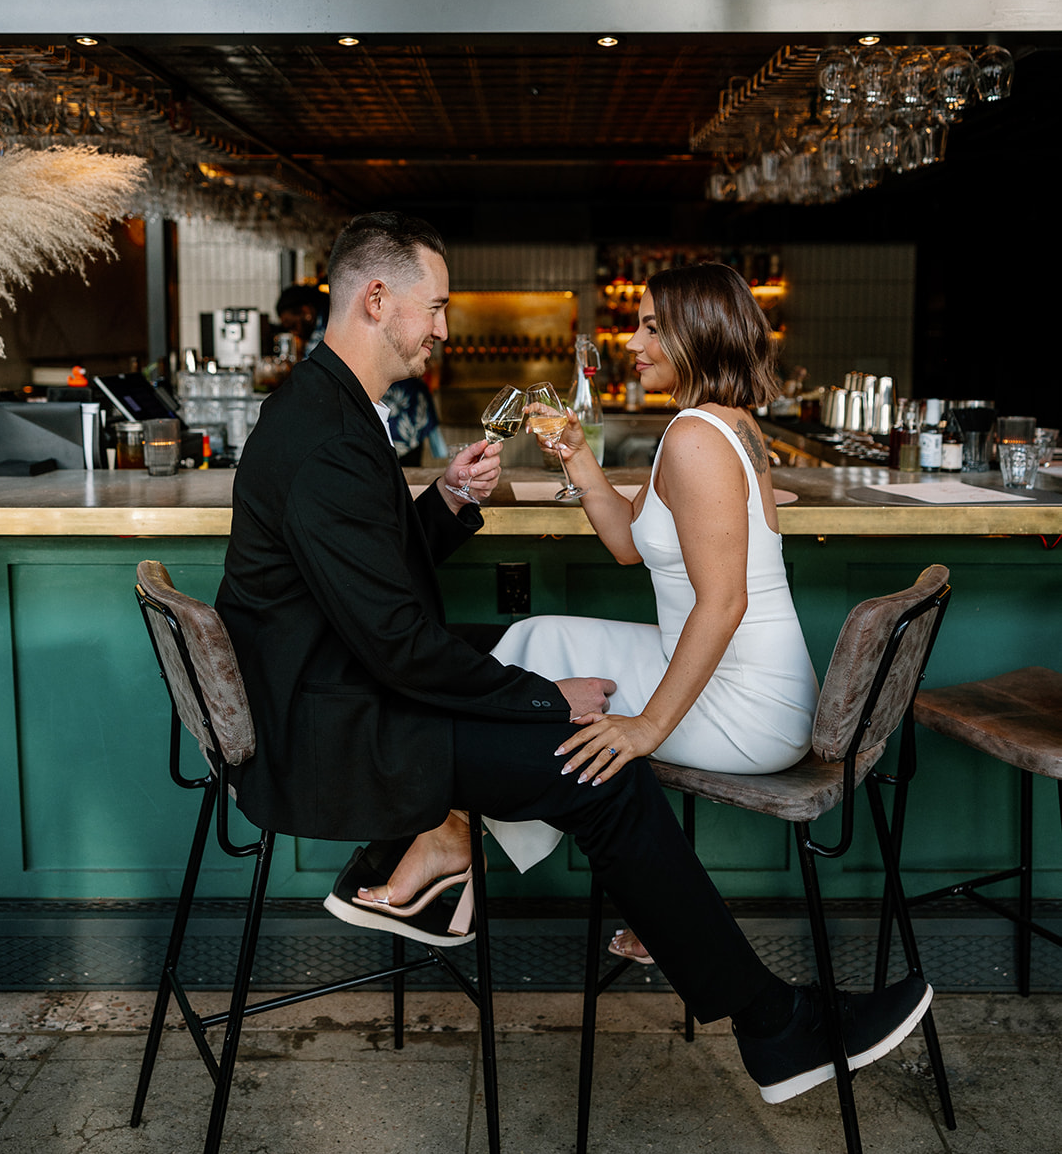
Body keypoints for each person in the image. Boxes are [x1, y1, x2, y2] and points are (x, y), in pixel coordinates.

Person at [217, 211, 930, 1107]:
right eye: (434, 308)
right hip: (334, 718)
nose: (442, 327)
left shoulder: (323, 407)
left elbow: (362, 578)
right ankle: (771, 1024)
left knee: (561, 699)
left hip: (341, 680)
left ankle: (432, 856)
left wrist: (439, 506)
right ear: (376, 298)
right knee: (596, 764)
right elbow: (393, 637)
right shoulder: (328, 431)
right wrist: (540, 699)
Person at [480, 261, 818, 962]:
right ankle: (644, 895)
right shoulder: (716, 425)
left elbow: (724, 604)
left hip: (748, 705)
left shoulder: (696, 436)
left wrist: (645, 727)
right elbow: (630, 546)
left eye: (652, 328)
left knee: (521, 695)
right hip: (749, 677)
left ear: (698, 335)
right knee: (530, 639)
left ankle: (459, 851)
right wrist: (576, 456)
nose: (632, 344)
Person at [276, 282, 328, 358]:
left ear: (306, 312)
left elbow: (309, 367)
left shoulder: (325, 328)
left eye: (293, 326)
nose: (293, 333)